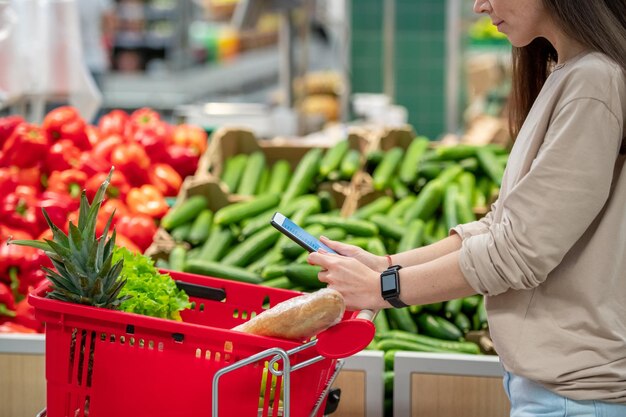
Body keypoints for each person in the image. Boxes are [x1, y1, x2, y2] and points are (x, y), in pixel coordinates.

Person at [308, 0, 626, 415]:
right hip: (556, 388)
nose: (479, 5)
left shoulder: (594, 81)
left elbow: (518, 251)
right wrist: (386, 266)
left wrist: (383, 290)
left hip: (576, 397)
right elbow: (502, 226)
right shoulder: (569, 72)